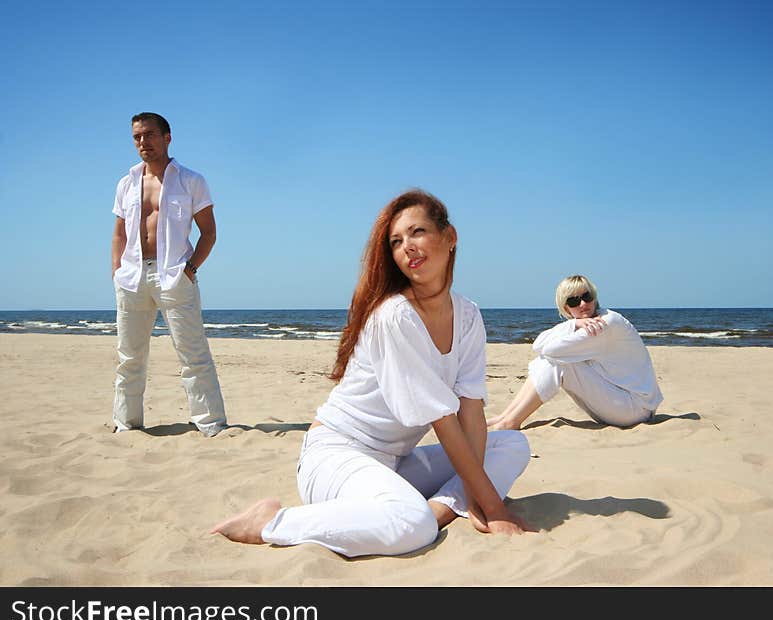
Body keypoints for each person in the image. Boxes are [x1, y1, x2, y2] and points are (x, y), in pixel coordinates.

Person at [212, 189, 533, 556]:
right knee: (411, 526)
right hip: (336, 456)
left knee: (511, 444)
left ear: (450, 237)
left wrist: (487, 501)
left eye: (417, 232)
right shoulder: (394, 316)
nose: (407, 247)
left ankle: (437, 510)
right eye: (396, 242)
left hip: (396, 462)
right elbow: (444, 422)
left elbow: (471, 411)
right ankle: (271, 522)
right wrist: (494, 506)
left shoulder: (469, 315)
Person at [110, 112, 227, 437]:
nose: (143, 142)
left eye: (149, 135)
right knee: (129, 357)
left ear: (167, 137)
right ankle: (126, 424)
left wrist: (189, 270)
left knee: (193, 353)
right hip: (132, 277)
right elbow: (119, 233)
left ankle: (210, 423)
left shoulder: (191, 180)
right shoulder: (126, 183)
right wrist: (117, 272)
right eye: (137, 137)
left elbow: (209, 233)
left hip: (174, 275)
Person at [487, 274, 662, 431]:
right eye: (574, 301)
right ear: (566, 308)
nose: (583, 304)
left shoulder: (605, 323)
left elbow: (547, 349)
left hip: (635, 409)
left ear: (594, 297)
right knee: (551, 359)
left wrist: (573, 325)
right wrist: (573, 324)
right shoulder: (587, 323)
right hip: (622, 401)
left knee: (556, 362)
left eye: (587, 297)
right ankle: (507, 417)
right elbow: (538, 344)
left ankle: (510, 421)